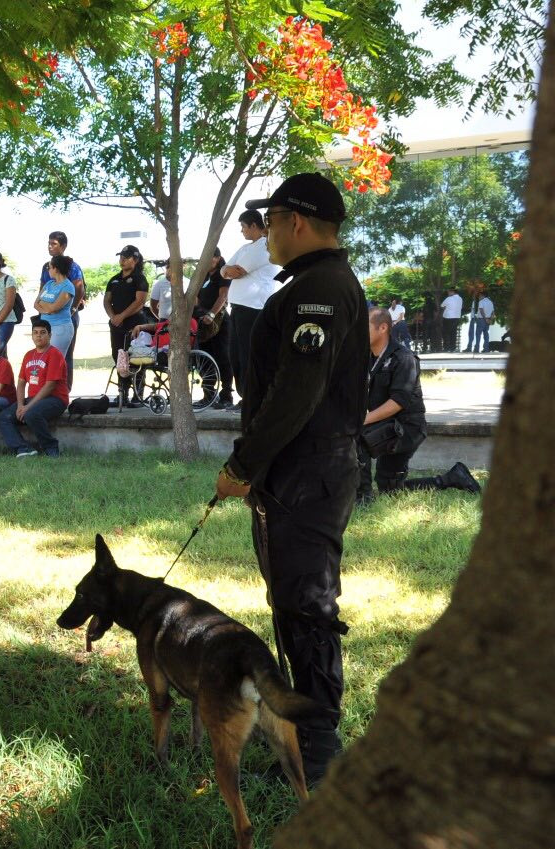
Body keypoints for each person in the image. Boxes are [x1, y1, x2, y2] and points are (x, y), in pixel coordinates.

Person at [213, 172, 367, 786]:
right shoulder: (312, 283)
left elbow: (295, 394)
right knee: (293, 603)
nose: (266, 234)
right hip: (299, 473)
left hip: (309, 473)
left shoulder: (318, 290)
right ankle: (306, 737)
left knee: (306, 608)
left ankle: (320, 750)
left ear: (295, 221)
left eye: (271, 222)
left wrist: (242, 465)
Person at [357, 307, 481, 501]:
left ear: (383, 328)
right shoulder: (368, 357)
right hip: (386, 425)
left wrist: (362, 420)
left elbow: (398, 402)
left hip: (406, 427)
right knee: (390, 489)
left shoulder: (403, 358)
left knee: (357, 436)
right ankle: (452, 478)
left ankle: (363, 499)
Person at [222, 210, 281, 403]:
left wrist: (230, 271)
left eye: (243, 227)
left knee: (249, 355)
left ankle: (254, 398)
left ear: (254, 225)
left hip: (253, 309)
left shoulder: (264, 245)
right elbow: (224, 269)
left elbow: (236, 272)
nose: (242, 231)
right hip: (238, 309)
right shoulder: (245, 248)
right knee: (235, 355)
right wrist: (227, 270)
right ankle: (245, 396)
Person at [0, 319, 69, 457]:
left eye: (42, 333)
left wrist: (28, 407)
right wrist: (20, 405)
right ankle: (24, 448)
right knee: (3, 417)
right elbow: (21, 382)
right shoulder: (29, 355)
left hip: (55, 399)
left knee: (31, 414)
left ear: (50, 335)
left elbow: (50, 386)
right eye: (35, 333)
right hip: (33, 399)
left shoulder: (55, 354)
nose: (38, 336)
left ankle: (51, 447)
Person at [104, 244, 151, 406]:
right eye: (121, 257)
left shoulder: (140, 279)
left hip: (135, 325)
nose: (122, 260)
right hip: (117, 326)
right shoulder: (114, 279)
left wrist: (122, 315)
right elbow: (107, 300)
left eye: (126, 257)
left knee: (137, 358)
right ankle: (122, 393)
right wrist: (113, 317)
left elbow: (140, 301)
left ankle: (138, 394)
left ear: (135, 260)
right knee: (119, 357)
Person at [40, 231, 85, 390]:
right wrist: (43, 310)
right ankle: (46, 390)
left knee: (65, 356)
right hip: (47, 318)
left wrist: (73, 308)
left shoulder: (73, 267)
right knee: (45, 354)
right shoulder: (46, 267)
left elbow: (79, 288)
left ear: (64, 246)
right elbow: (41, 292)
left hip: (66, 317)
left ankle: (64, 390)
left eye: (54, 244)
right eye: (49, 243)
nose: (50, 246)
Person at [195, 248, 235, 409]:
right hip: (203, 321)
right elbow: (196, 298)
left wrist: (211, 314)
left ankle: (226, 396)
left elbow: (223, 296)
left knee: (223, 358)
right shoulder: (203, 276)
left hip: (219, 320)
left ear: (218, 258)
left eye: (210, 257)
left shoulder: (223, 274)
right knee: (205, 358)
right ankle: (209, 395)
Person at [33, 255, 76, 361]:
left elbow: (54, 308)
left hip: (60, 328)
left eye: (49, 267)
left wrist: (44, 304)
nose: (48, 270)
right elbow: (35, 304)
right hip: (44, 328)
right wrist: (48, 309)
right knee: (42, 360)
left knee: (55, 361)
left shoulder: (68, 286)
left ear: (56, 269)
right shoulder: (49, 284)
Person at [466, 287, 495, 353]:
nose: (479, 297)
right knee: (486, 334)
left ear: (482, 295)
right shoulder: (491, 302)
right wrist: (490, 319)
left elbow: (481, 310)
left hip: (481, 319)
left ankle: (476, 349)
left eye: (479, 296)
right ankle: (486, 349)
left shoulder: (481, 302)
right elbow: (493, 312)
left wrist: (485, 319)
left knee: (478, 334)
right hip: (488, 320)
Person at [439, 286, 462, 353]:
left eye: (448, 291)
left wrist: (446, 308)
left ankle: (446, 348)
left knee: (446, 333)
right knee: (453, 333)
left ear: (452, 291)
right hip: (457, 317)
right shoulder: (460, 298)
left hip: (448, 317)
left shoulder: (449, 298)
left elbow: (442, 306)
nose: (448, 293)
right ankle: (453, 348)